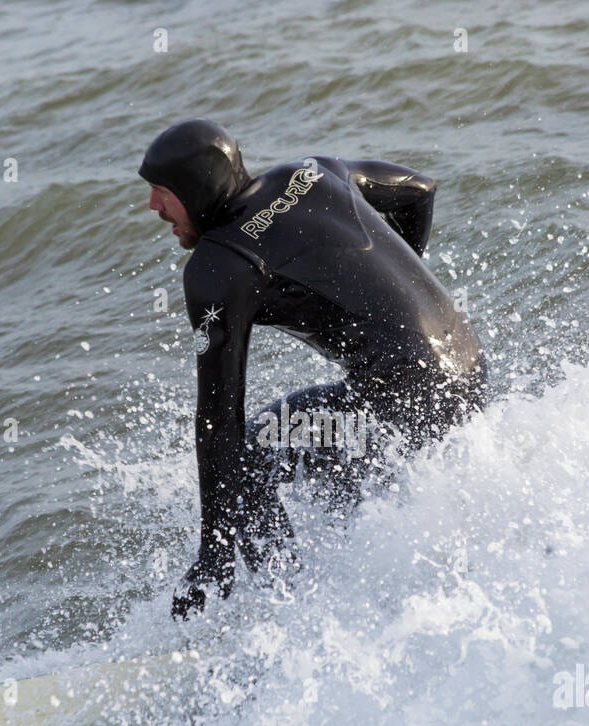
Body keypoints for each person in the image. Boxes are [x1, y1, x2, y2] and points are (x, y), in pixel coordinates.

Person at [139, 119, 486, 619]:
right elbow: (418, 191)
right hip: (467, 370)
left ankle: (285, 617)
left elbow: (219, 424)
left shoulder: (220, 265)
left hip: (403, 400)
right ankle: (357, 594)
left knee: (256, 450)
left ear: (196, 190)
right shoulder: (311, 172)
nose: (154, 207)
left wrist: (213, 557)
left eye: (161, 193)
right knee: (315, 445)